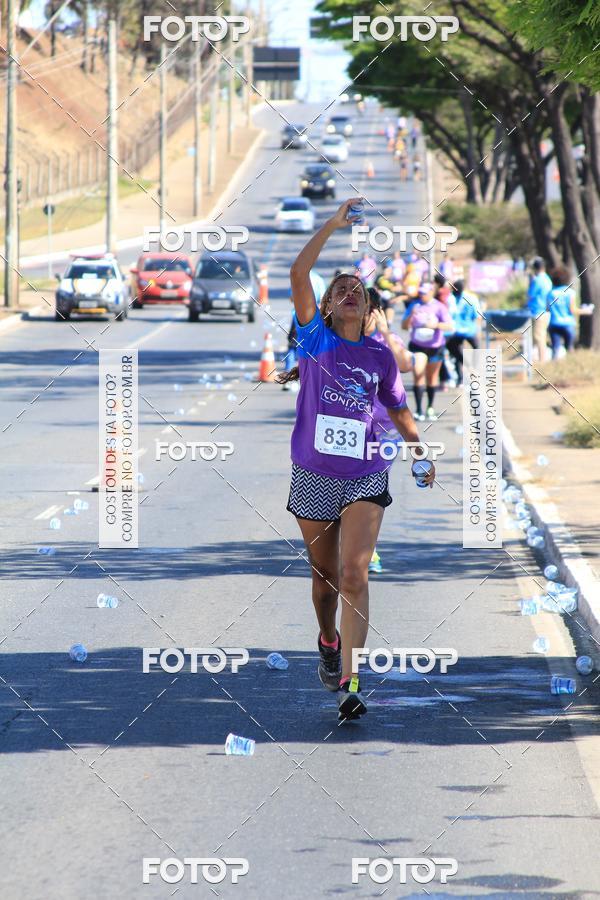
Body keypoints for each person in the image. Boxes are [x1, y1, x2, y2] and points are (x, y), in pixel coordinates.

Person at [285, 199, 434, 721]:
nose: (350, 293)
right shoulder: (314, 341)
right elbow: (298, 271)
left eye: (358, 289)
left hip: (368, 472)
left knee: (353, 574)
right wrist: (332, 224)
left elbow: (397, 406)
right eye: (340, 289)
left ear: (368, 306)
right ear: (327, 305)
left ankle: (351, 681)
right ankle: (327, 640)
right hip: (314, 473)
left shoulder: (378, 355)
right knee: (324, 580)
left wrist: (419, 451)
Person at [364, 290, 427, 574]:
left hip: (384, 430)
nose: (362, 316)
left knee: (373, 490)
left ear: (376, 312)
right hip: (350, 428)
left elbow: (405, 365)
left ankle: (369, 550)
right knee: (344, 490)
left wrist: (386, 332)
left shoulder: (386, 342)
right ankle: (350, 544)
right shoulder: (337, 342)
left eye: (369, 310)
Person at [402, 282, 454, 420]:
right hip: (417, 346)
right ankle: (419, 410)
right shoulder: (414, 305)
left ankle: (430, 407)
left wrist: (436, 325)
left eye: (425, 292)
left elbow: (449, 326)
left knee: (432, 379)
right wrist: (410, 316)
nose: (422, 295)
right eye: (421, 292)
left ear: (431, 292)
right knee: (418, 373)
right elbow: (404, 326)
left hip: (435, 347)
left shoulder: (439, 307)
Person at [446, 279, 481, 383]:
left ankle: (461, 377)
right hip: (470, 330)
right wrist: (476, 329)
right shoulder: (472, 298)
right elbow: (477, 316)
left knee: (456, 351)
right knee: (476, 347)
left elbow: (449, 315)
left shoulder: (451, 298)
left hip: (456, 331)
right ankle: (474, 369)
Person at [547, 266, 579, 358]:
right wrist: (585, 311)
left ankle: (555, 366)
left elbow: (547, 309)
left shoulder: (551, 293)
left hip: (554, 323)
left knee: (555, 349)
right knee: (570, 348)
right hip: (568, 324)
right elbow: (573, 310)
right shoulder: (570, 292)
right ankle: (570, 366)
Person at [526, 257, 552, 362]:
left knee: (539, 337)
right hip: (545, 312)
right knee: (541, 336)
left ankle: (542, 360)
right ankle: (537, 358)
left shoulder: (537, 280)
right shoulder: (547, 279)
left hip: (538, 312)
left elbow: (530, 294)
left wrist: (530, 281)